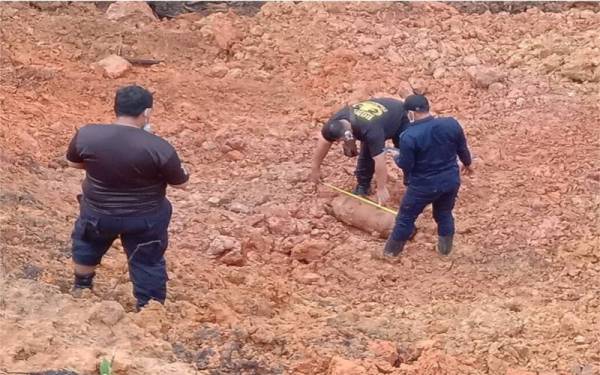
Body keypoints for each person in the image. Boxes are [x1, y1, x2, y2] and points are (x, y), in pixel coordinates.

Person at [65, 85, 189, 309]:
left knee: (86, 243)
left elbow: (74, 163)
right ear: (147, 112)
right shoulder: (159, 147)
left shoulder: (87, 134)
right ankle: (148, 308)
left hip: (98, 213)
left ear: (115, 108)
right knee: (148, 260)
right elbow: (181, 183)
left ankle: (82, 286)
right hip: (144, 219)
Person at [383, 94, 472, 257]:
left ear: (411, 113)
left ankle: (390, 254)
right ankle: (445, 251)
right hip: (450, 180)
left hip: (423, 186)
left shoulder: (409, 136)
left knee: (405, 218)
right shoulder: (451, 124)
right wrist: (467, 163)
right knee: (444, 213)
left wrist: (395, 156)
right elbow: (462, 148)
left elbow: (406, 164)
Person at [309, 97, 410, 204]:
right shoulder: (335, 122)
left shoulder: (370, 131)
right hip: (376, 121)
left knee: (406, 152)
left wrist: (381, 188)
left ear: (350, 132)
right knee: (367, 151)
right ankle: (363, 185)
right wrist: (315, 168)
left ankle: (413, 185)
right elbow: (324, 142)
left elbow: (380, 160)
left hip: (400, 117)